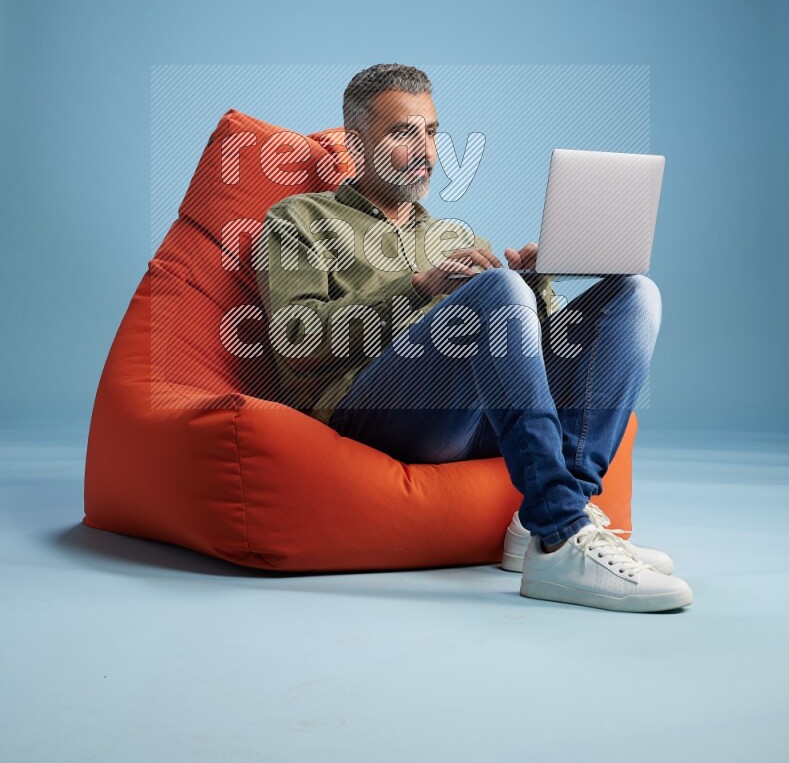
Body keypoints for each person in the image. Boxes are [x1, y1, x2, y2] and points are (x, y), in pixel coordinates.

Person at [255, 63, 693, 613]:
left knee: (633, 295)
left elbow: (532, 358)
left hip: (471, 417)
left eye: (432, 132)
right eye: (402, 133)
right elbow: (295, 338)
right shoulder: (299, 218)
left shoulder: (456, 235)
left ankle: (559, 516)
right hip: (367, 412)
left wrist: (536, 288)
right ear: (356, 143)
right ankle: (560, 533)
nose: (426, 151)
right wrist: (418, 289)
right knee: (495, 291)